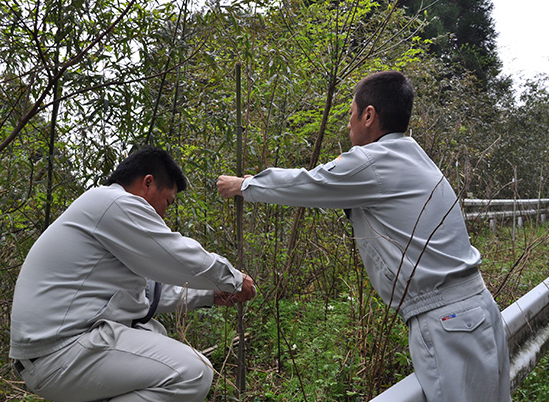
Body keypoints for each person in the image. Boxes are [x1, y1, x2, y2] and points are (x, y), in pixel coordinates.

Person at [217, 71, 510, 402]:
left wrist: (245, 186)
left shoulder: (373, 161)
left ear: (369, 115)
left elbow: (310, 183)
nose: (348, 124)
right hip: (478, 310)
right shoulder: (413, 155)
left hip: (449, 322)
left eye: (350, 114)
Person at [10, 146, 256, 402]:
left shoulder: (104, 215)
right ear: (147, 183)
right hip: (59, 351)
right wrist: (234, 280)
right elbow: (176, 255)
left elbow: (147, 295)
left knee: (153, 333)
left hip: (54, 353)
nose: (164, 214)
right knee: (192, 373)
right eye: (167, 202)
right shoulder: (113, 203)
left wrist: (211, 294)